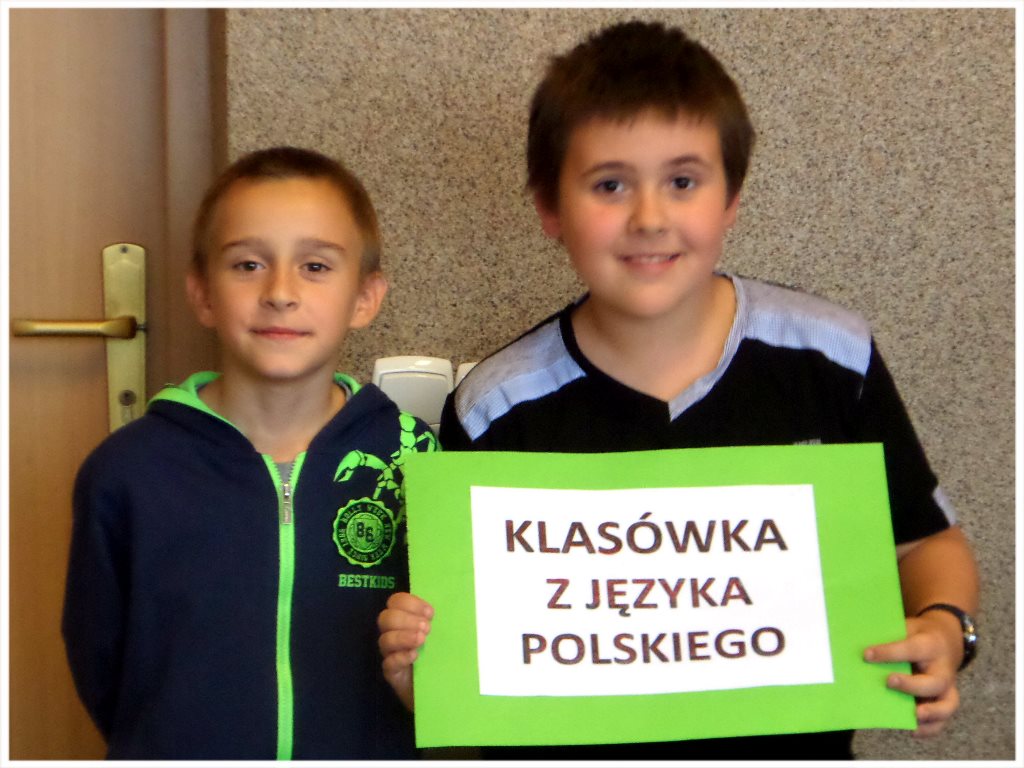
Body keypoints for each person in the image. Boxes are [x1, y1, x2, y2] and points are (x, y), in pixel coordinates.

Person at [377, 20, 979, 760]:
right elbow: (467, 657)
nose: (650, 218)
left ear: (732, 198)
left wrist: (946, 627)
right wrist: (427, 680)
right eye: (610, 185)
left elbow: (925, 541)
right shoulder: (495, 408)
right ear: (550, 208)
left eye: (683, 182)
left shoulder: (830, 357)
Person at [63, 146, 437, 759]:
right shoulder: (128, 471)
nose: (280, 292)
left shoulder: (415, 460)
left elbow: (446, 662)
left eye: (315, 266)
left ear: (366, 297)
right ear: (202, 293)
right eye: (247, 264)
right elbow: (102, 665)